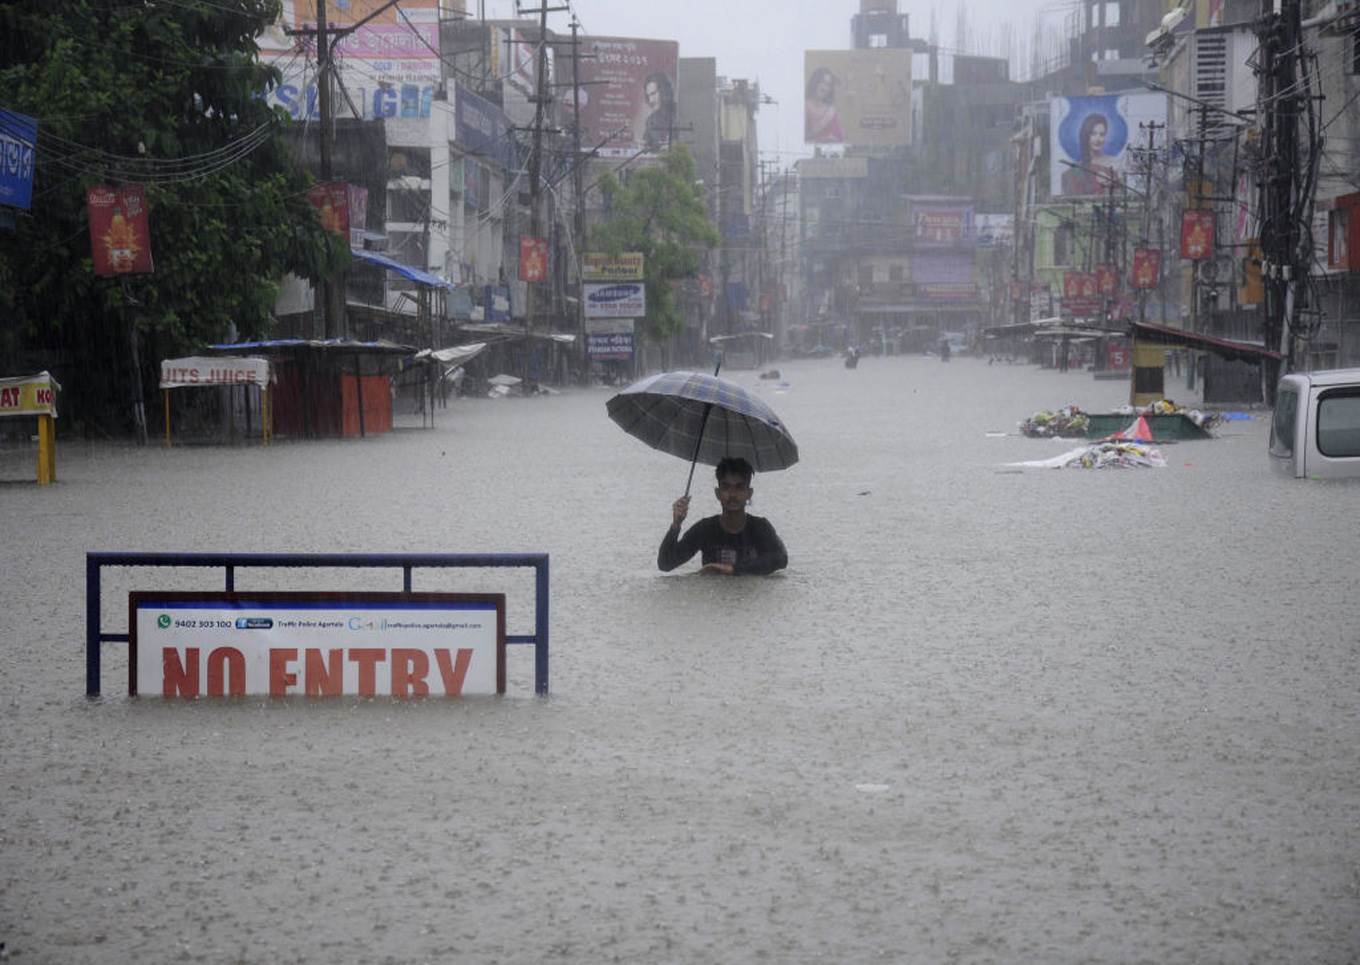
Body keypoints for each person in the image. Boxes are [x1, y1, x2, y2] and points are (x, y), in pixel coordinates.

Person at [658, 456, 787, 576]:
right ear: (717, 493)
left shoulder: (760, 527)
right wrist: (676, 525)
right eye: (726, 487)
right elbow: (665, 564)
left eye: (739, 487)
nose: (732, 495)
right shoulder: (705, 529)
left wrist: (732, 570)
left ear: (749, 493)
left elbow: (781, 559)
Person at [1060, 112, 1121, 196]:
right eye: (1093, 134)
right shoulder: (1073, 170)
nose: (1098, 139)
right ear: (1085, 135)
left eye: (1102, 134)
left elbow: (1120, 194)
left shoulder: (1114, 163)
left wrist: (1110, 184)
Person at [804, 67, 843, 143]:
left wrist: (832, 139)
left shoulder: (831, 110)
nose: (824, 88)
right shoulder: (804, 106)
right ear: (815, 82)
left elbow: (839, 137)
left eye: (828, 85)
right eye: (822, 82)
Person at [641, 73, 675, 152]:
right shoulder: (650, 121)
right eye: (648, 96)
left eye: (653, 94)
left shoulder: (680, 114)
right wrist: (644, 147)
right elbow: (646, 146)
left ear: (665, 91)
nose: (650, 101)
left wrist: (673, 147)